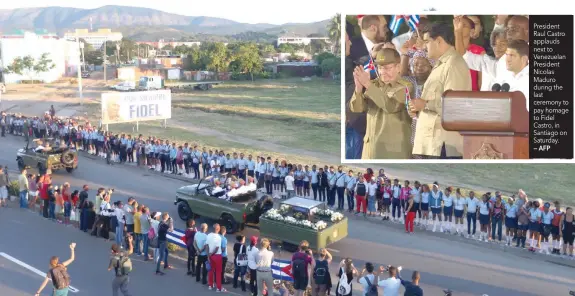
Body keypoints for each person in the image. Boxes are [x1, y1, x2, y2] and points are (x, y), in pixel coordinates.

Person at [410, 23, 472, 159]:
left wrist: (425, 105)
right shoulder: (440, 64)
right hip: (429, 144)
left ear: (438, 40)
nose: (424, 47)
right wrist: (418, 109)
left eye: (427, 42)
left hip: (442, 146)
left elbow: (455, 106)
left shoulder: (454, 64)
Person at [350, 48, 414, 159]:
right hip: (370, 150)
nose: (383, 72)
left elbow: (390, 106)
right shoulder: (374, 84)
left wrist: (367, 84)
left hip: (393, 152)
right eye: (380, 67)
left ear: (398, 67)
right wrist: (359, 88)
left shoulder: (406, 86)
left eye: (388, 68)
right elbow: (357, 108)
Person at [206, 223, 225, 292]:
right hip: (217, 256)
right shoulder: (219, 237)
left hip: (210, 256)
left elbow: (207, 246)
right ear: (218, 229)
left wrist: (208, 255)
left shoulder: (208, 235)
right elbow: (217, 248)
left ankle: (210, 285)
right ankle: (218, 288)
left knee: (211, 270)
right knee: (218, 272)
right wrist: (211, 254)